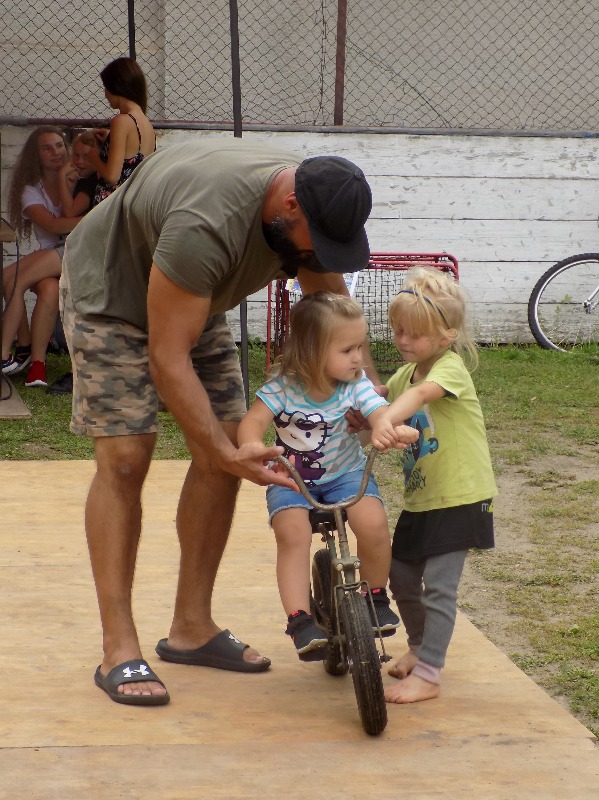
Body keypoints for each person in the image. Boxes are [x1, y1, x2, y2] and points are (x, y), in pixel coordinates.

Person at [59, 139, 376, 705]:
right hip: (109, 296)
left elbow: (335, 315)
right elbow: (167, 357)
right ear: (291, 206)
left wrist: (369, 402)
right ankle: (118, 646)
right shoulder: (206, 224)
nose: (319, 256)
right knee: (127, 458)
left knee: (231, 444)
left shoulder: (310, 209)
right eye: (317, 244)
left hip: (189, 299)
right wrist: (222, 452)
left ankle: (191, 627)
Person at [237, 292, 418, 660]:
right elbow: (252, 421)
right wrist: (252, 444)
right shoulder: (282, 388)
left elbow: (378, 412)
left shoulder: (356, 384)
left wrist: (389, 428)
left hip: (346, 473)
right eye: (348, 349)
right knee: (293, 534)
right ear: (312, 351)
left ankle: (375, 596)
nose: (359, 358)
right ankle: (300, 619)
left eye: (360, 347)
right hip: (291, 479)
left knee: (373, 523)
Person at [370, 267, 497, 704]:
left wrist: (386, 416)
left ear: (447, 336)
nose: (403, 341)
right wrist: (362, 413)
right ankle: (420, 646)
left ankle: (429, 673)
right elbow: (380, 404)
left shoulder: (450, 368)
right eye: (398, 330)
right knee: (401, 577)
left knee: (440, 586)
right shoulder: (405, 374)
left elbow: (419, 398)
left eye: (415, 334)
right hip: (422, 498)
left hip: (461, 495)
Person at [2, 126, 82, 388]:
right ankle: (35, 362)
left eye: (59, 145)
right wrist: (95, 217)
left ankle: (8, 353)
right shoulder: (31, 190)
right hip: (52, 252)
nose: (56, 152)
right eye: (46, 148)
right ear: (35, 156)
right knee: (42, 287)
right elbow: (52, 225)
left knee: (16, 280)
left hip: (73, 251)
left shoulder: (80, 178)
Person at [47, 132, 101, 396]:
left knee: (15, 277)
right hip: (77, 249)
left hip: (83, 252)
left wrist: (61, 179)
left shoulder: (94, 181)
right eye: (75, 155)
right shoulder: (85, 181)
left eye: (85, 156)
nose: (78, 161)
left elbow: (67, 214)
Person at [89, 57, 155, 206]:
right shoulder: (146, 124)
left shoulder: (121, 121)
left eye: (106, 87)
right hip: (132, 204)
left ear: (117, 87)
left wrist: (93, 157)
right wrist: (109, 141)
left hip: (111, 206)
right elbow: (132, 157)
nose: (105, 94)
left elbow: (112, 176)